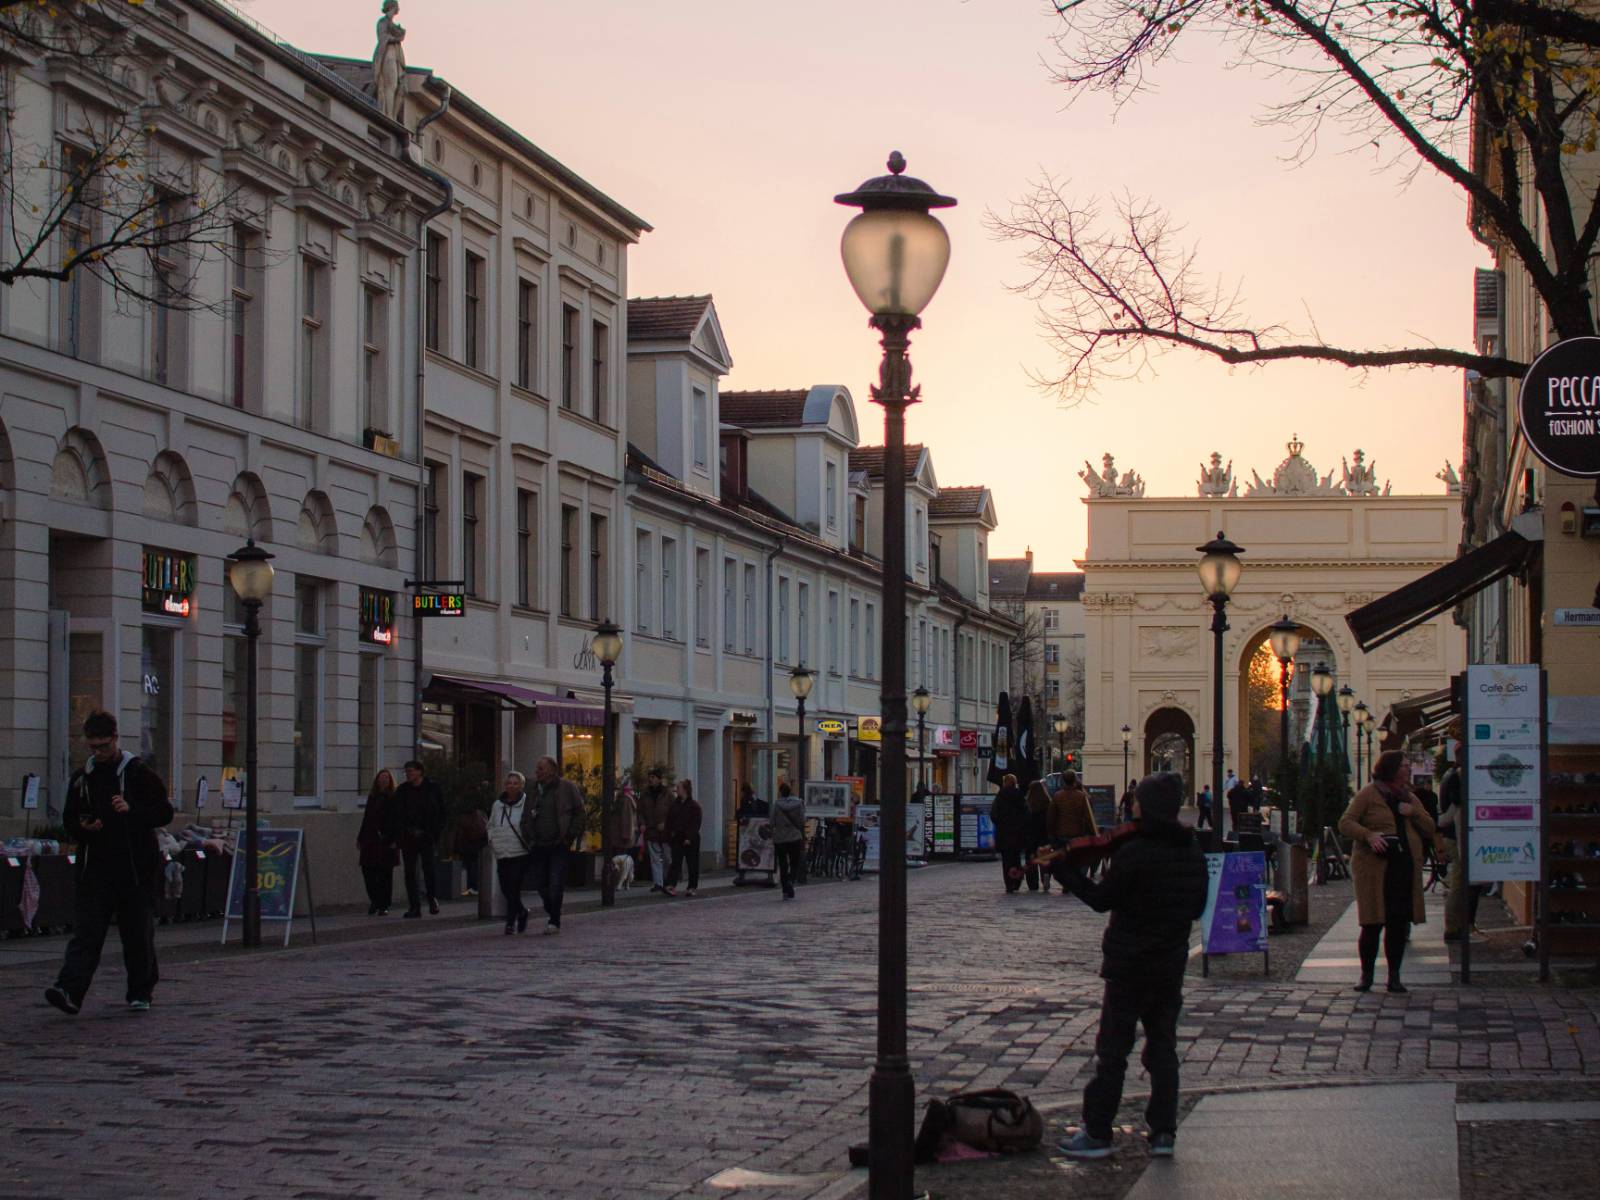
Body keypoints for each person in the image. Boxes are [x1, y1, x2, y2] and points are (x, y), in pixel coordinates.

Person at [1056, 773, 1209, 1160]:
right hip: (1170, 963)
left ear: (1146, 806)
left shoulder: (1135, 851)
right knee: (1163, 1049)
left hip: (1129, 964)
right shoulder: (1191, 851)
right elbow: (1196, 908)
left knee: (1113, 1051)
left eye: (1138, 800)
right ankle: (1162, 1133)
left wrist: (1066, 874)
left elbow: (1101, 899)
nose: (1133, 806)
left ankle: (1097, 1132)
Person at [46, 710, 174, 1015]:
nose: (99, 752)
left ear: (115, 739)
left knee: (137, 935)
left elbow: (164, 812)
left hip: (134, 869)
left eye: (103, 746)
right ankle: (69, 990)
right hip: (96, 869)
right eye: (93, 747)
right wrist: (82, 828)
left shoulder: (138, 772)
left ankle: (140, 992)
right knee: (87, 934)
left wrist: (131, 810)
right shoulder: (82, 778)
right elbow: (69, 819)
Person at [1338, 749, 1441, 993]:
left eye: (1408, 765)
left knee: (1398, 924)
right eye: (1404, 765)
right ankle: (1366, 976)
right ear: (1392, 768)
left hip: (1403, 868)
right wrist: (1369, 835)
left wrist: (1413, 812)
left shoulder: (1409, 797)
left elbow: (1429, 827)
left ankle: (1394, 976)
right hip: (1374, 869)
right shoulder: (1369, 794)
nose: (1408, 769)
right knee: (1372, 923)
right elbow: (1345, 822)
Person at [519, 757, 586, 934]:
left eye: (541, 769)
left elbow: (580, 812)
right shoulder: (532, 789)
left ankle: (554, 920)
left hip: (559, 843)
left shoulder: (566, 787)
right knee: (541, 884)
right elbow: (526, 814)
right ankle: (553, 908)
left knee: (556, 881)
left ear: (552, 770)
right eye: (537, 768)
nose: (537, 772)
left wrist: (570, 835)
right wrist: (528, 833)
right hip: (538, 844)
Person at [1437, 742, 1487, 942]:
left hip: (1453, 835)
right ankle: (1453, 928)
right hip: (1456, 836)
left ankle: (1458, 926)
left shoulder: (1450, 775)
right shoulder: (1456, 776)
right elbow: (1457, 807)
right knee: (1458, 882)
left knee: (1460, 881)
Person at [393, 759, 445, 918]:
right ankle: (414, 906)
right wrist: (402, 832)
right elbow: (397, 814)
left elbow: (441, 812)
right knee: (410, 872)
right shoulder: (402, 790)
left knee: (428, 868)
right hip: (408, 836)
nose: (409, 774)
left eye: (411, 771)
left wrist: (434, 833)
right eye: (407, 771)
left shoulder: (432, 788)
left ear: (419, 772)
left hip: (427, 835)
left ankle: (432, 898)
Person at [488, 771, 531, 934]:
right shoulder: (497, 805)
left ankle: (510, 922)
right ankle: (522, 911)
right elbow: (491, 824)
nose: (511, 786)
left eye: (515, 783)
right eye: (509, 783)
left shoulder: (527, 804)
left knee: (514, 886)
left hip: (519, 852)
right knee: (506, 888)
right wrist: (492, 839)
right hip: (501, 852)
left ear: (521, 786)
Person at [357, 769, 399, 916]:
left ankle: (384, 904)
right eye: (381, 778)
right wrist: (361, 837)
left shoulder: (393, 797)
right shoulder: (372, 797)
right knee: (368, 870)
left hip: (386, 839)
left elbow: (397, 820)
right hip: (370, 838)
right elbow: (367, 818)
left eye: (387, 778)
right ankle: (375, 899)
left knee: (385, 873)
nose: (384, 780)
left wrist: (394, 839)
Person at [990, 774, 1030, 895]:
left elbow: (993, 814)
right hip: (1018, 833)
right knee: (1016, 858)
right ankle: (1017, 881)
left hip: (1004, 833)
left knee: (1006, 861)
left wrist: (1001, 824)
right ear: (1014, 782)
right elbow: (1026, 813)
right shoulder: (1019, 796)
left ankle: (1009, 884)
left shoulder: (1000, 796)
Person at [638, 769, 674, 896]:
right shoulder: (645, 794)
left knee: (667, 857)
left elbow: (673, 812)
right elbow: (640, 811)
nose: (650, 779)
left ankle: (667, 880)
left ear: (659, 779)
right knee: (654, 859)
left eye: (653, 777)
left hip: (665, 832)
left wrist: (666, 824)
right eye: (650, 777)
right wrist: (642, 823)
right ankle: (658, 883)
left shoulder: (667, 794)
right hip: (651, 830)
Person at [666, 779, 704, 897]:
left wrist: (689, 837)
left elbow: (695, 823)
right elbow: (669, 820)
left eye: (679, 788)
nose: (676, 790)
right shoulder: (674, 805)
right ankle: (671, 885)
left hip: (690, 838)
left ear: (685, 790)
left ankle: (692, 886)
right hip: (677, 836)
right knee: (676, 862)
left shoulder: (694, 806)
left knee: (692, 863)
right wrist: (670, 834)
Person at [772, 781, 806, 900]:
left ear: (781, 792)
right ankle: (791, 881)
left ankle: (785, 890)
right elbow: (802, 821)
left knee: (783, 864)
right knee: (794, 863)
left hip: (780, 838)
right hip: (795, 837)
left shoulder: (776, 804)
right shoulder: (798, 803)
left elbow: (772, 822)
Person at [452, 803, 489, 897]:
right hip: (478, 843)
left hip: (469, 844)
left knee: (471, 866)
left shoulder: (464, 817)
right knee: (474, 865)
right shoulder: (480, 813)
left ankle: (472, 887)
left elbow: (461, 832)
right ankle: (474, 887)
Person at [1024, 781, 1052, 893]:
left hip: (1031, 836)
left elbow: (1024, 822)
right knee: (1045, 858)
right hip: (1045, 835)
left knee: (1031, 859)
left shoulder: (1027, 804)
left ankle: (1032, 884)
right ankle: (1046, 874)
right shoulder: (1048, 804)